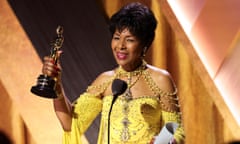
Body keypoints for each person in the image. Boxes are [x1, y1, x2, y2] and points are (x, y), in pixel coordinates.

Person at [42, 2, 185, 144]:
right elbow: (70, 122)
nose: (120, 46)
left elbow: (174, 128)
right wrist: (57, 86)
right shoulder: (105, 81)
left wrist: (163, 141)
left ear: (144, 45)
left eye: (129, 40)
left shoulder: (160, 79)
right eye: (117, 37)